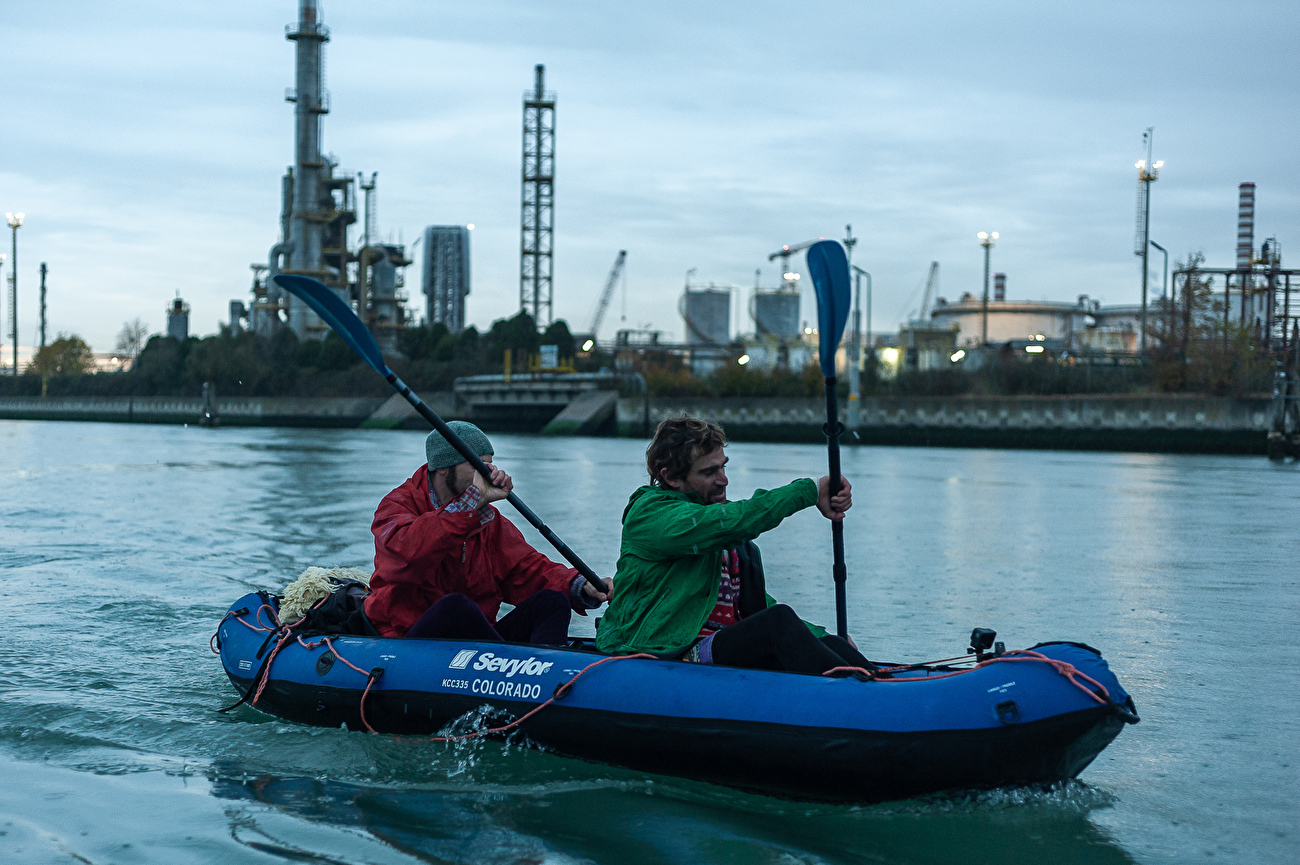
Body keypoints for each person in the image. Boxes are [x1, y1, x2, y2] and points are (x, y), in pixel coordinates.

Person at [595, 417, 869, 675]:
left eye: (723, 466)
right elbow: (728, 522)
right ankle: (861, 696)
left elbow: (759, 605)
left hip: (721, 645)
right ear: (671, 477)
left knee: (835, 643)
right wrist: (811, 490)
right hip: (665, 648)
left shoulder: (730, 540)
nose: (723, 479)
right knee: (778, 622)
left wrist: (822, 637)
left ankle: (880, 682)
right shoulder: (651, 516)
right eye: (709, 472)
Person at [364, 421, 612, 643]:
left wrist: (578, 585)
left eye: (491, 465)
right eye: (479, 466)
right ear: (442, 467)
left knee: (553, 602)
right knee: (455, 607)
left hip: (476, 638)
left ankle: (546, 679)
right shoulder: (396, 505)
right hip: (409, 636)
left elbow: (525, 569)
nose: (489, 474)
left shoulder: (487, 520)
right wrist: (470, 506)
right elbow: (407, 557)